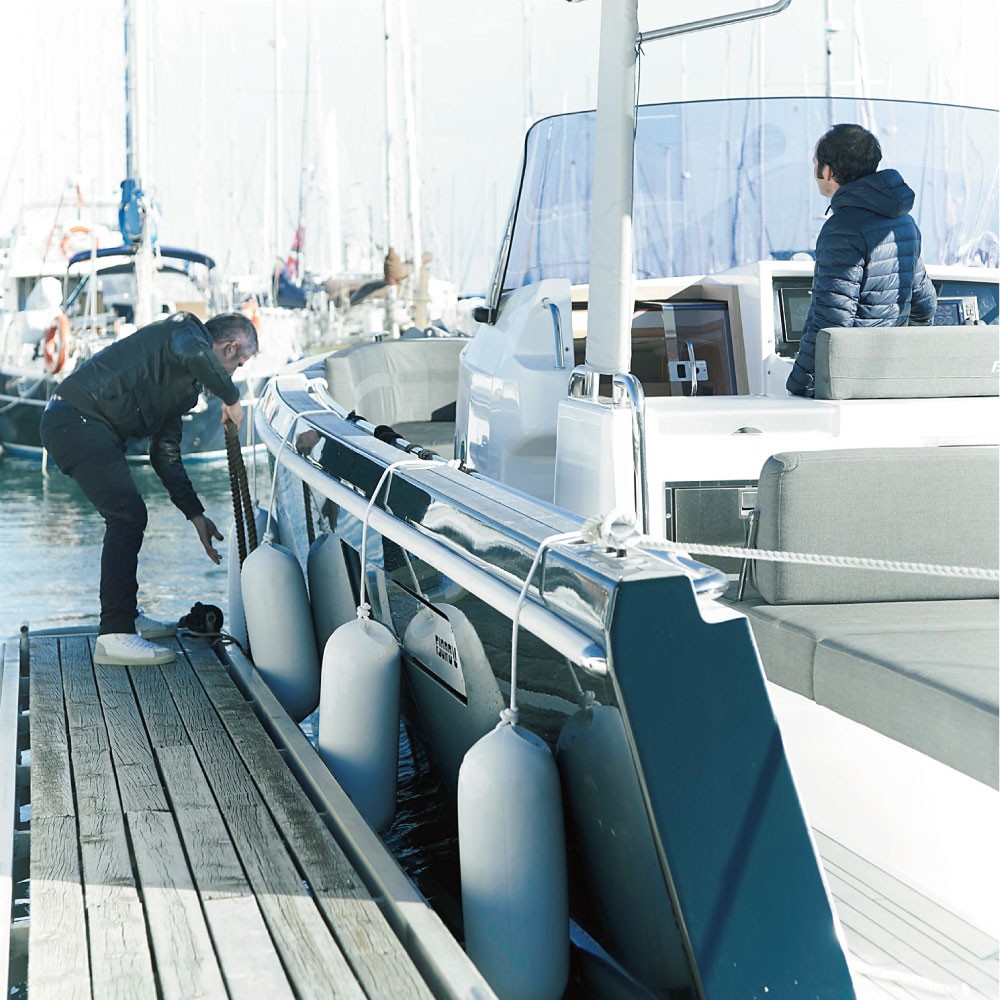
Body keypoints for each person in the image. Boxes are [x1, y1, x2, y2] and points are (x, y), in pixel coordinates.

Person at [39, 311, 259, 665]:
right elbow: (191, 350)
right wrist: (231, 399)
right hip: (75, 419)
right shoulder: (185, 331)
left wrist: (196, 515)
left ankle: (127, 617)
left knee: (129, 514)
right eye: (239, 363)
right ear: (230, 347)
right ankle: (115, 635)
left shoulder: (185, 390)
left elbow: (165, 454)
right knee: (127, 514)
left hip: (85, 425)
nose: (234, 373)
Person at [786, 123, 937, 397]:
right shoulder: (904, 222)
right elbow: (924, 304)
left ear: (828, 171)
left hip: (851, 383)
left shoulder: (843, 228)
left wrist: (798, 383)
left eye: (815, 163)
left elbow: (832, 321)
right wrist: (902, 355)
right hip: (890, 378)